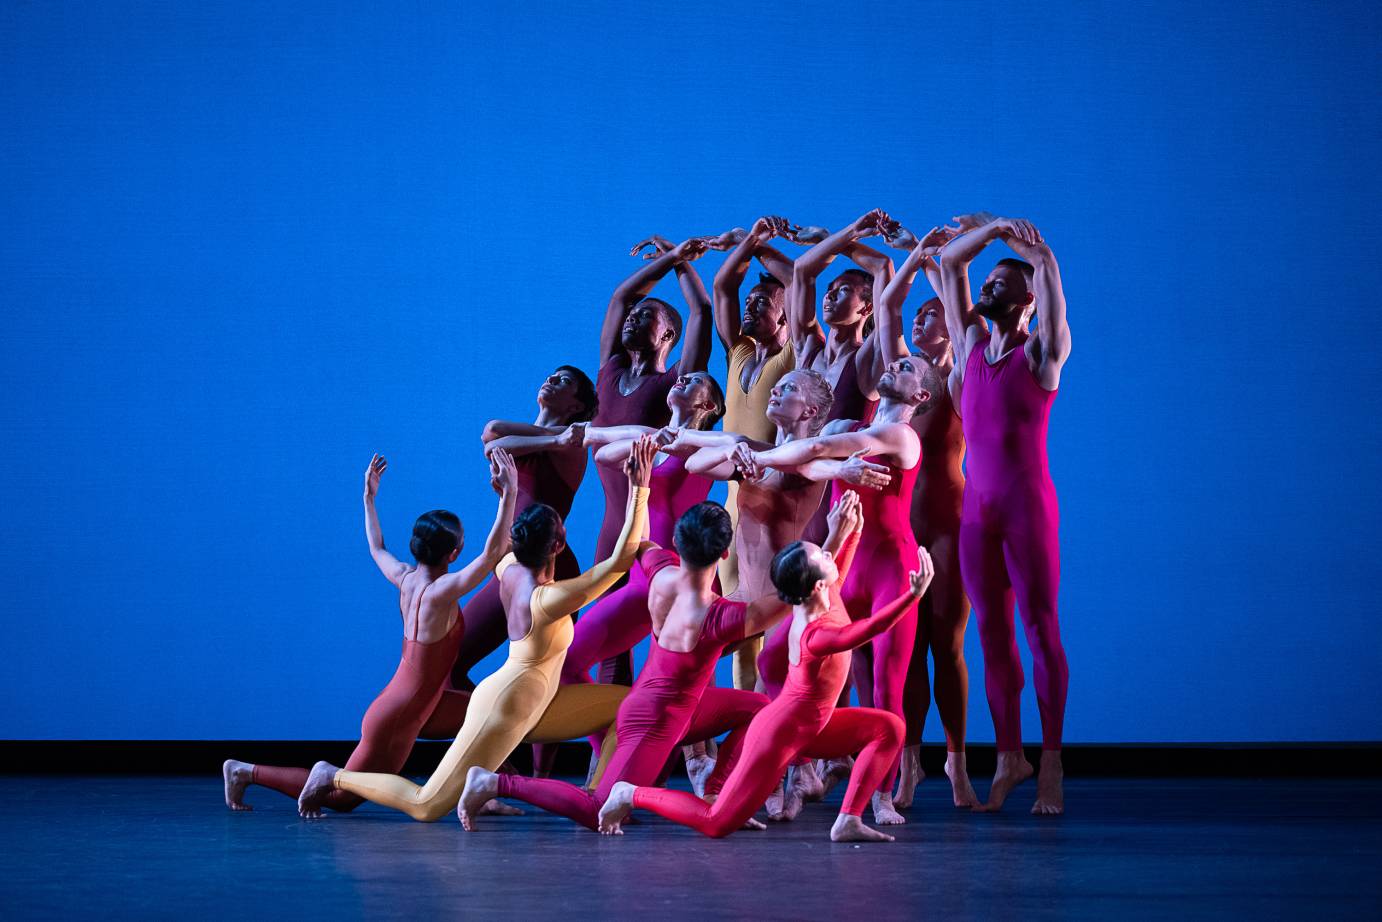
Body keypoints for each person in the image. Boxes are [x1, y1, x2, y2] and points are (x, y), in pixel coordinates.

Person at [294, 439, 657, 821]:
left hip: (539, 704)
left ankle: (596, 797)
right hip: (504, 707)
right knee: (426, 805)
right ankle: (336, 777)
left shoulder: (509, 568)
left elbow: (496, 549)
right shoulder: (547, 600)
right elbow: (619, 562)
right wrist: (639, 488)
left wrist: (507, 496)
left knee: (627, 707)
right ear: (560, 544)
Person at [457, 499, 850, 832]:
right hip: (651, 722)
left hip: (682, 711)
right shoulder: (723, 618)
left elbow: (639, 544)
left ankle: (714, 786)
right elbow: (802, 591)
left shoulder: (661, 572)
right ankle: (493, 782)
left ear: (678, 542)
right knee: (600, 808)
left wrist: (638, 488)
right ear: (725, 554)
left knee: (760, 708)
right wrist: (834, 538)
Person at [599, 507, 935, 842]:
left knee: (889, 728)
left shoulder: (820, 598)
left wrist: (853, 530)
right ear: (818, 583)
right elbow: (864, 630)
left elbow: (837, 574)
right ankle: (631, 794)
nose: (830, 554)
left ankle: (848, 819)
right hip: (778, 735)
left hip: (812, 726)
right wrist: (912, 595)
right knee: (715, 822)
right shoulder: (815, 634)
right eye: (823, 555)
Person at [223, 451, 518, 813]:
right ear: (454, 553)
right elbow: (491, 556)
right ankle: (244, 772)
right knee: (342, 797)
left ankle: (482, 794)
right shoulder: (441, 594)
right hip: (398, 714)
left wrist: (369, 499)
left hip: (424, 704)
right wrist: (509, 494)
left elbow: (377, 547)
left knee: (487, 714)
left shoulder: (405, 578)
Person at [733, 352, 933, 824]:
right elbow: (807, 460)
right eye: (897, 360)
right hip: (843, 568)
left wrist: (757, 455)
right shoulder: (843, 421)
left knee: (884, 685)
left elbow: (817, 452)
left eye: (907, 369)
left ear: (919, 397)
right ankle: (801, 767)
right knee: (773, 656)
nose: (894, 364)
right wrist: (765, 456)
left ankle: (880, 798)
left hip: (891, 568)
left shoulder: (900, 435)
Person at [938, 213, 1071, 815]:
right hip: (976, 514)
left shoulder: (1044, 351)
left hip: (1027, 508)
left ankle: (1050, 762)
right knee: (990, 635)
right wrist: (989, 228)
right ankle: (1010, 755)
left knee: (1040, 630)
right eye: (985, 283)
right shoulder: (969, 347)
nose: (984, 291)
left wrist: (1026, 246)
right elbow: (948, 265)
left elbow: (1044, 267)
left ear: (1026, 301)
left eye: (998, 285)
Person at [875, 226, 980, 809]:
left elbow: (967, 323)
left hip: (948, 522)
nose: (921, 320)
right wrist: (916, 251)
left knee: (948, 644)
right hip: (900, 523)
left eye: (934, 315)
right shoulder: (903, 376)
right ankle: (908, 765)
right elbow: (890, 304)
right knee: (907, 650)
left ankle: (958, 765)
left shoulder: (961, 375)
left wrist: (943, 266)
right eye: (921, 314)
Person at [452, 365, 598, 691]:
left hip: (550, 562)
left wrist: (560, 438)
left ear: (575, 406)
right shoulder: (553, 440)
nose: (550, 380)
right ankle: (492, 728)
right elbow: (492, 435)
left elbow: (494, 438)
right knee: (450, 663)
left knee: (549, 676)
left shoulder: (572, 446)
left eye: (563, 381)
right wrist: (554, 436)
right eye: (551, 375)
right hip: (510, 561)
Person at [708, 216, 797, 690]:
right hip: (730, 506)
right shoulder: (740, 354)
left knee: (776, 623)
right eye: (751, 300)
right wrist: (749, 241)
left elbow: (797, 281)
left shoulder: (794, 354)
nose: (751, 305)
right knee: (740, 628)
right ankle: (747, 736)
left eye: (763, 302)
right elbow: (723, 285)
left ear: (785, 318)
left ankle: (783, 743)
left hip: (771, 507)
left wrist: (764, 247)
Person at [782, 209, 897, 544]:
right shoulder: (808, 349)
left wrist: (849, 233)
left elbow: (883, 269)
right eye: (830, 289)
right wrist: (838, 234)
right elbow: (803, 271)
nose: (829, 296)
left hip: (833, 492)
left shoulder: (867, 360)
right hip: (789, 484)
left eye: (844, 290)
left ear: (866, 308)